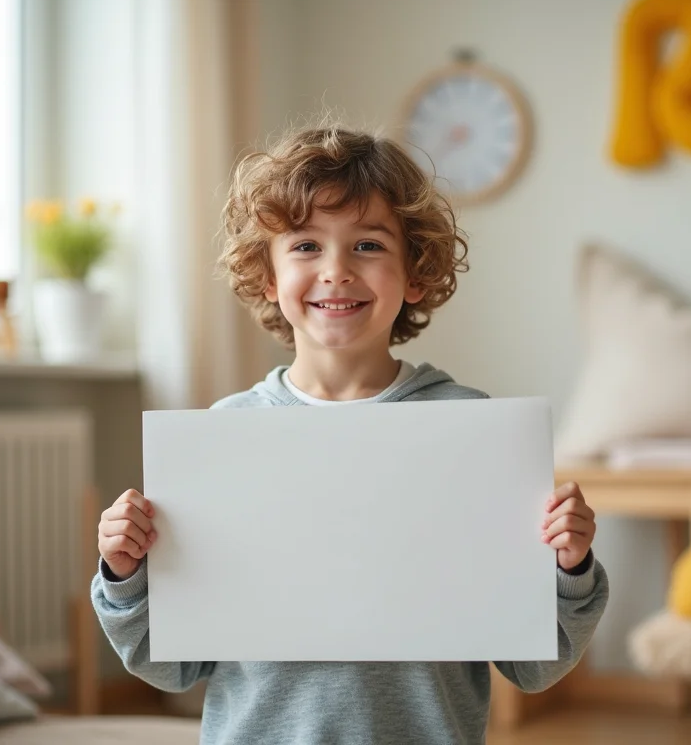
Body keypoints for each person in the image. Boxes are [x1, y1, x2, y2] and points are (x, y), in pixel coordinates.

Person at [91, 122, 609, 744]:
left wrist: (570, 567)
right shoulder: (225, 436)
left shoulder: (471, 430)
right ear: (267, 275)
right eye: (306, 246)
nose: (336, 270)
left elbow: (534, 664)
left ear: (415, 273)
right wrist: (125, 575)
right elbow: (173, 667)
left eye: (367, 245)